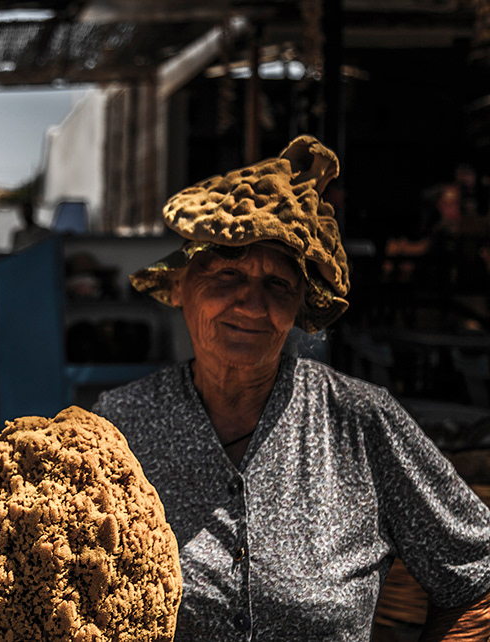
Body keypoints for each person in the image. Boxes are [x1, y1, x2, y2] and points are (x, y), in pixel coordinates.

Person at [93, 135, 490, 640]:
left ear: (300, 308)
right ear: (181, 286)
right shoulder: (120, 426)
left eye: (277, 285)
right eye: (227, 275)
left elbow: (478, 581)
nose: (252, 305)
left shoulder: (361, 420)